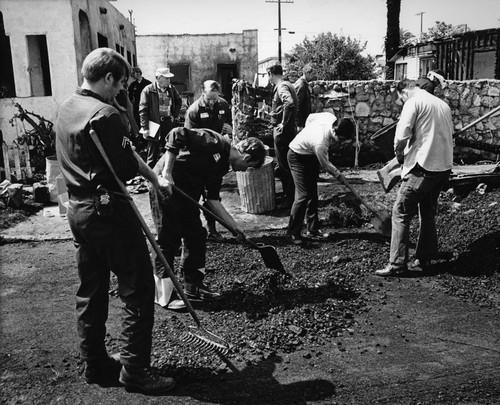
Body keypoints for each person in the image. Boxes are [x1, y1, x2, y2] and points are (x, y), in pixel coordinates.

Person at [55, 48, 175, 394]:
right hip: (108, 209)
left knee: (90, 291)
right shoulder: (106, 114)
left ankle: (95, 364)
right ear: (108, 77)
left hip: (78, 210)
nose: (122, 90)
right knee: (138, 288)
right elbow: (123, 167)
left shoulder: (66, 108)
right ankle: (136, 371)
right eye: (120, 83)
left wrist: (154, 176)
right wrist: (121, 114)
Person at [151, 128, 266, 306]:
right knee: (168, 239)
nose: (244, 171)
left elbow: (213, 201)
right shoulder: (215, 142)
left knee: (196, 235)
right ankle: (163, 296)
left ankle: (193, 286)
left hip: (187, 192)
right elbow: (176, 133)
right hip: (165, 186)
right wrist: (167, 173)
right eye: (248, 167)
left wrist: (236, 229)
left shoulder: (221, 167)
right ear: (246, 158)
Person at [375, 79, 453, 276]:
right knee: (427, 211)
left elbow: (401, 136)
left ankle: (397, 264)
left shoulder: (413, 102)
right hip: (442, 168)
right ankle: (426, 257)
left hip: (423, 167)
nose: (401, 101)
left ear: (403, 92)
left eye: (400, 98)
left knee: (400, 211)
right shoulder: (442, 104)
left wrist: (399, 155)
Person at [287, 112, 355, 245]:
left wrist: (307, 133)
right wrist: (339, 176)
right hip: (296, 156)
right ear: (335, 132)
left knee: (312, 193)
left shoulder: (330, 117)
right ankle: (292, 233)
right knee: (303, 195)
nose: (340, 143)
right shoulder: (320, 143)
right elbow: (326, 166)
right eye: (340, 140)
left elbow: (310, 116)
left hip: (309, 154)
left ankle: (312, 229)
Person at [184, 80, 233, 242]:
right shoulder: (194, 111)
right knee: (195, 196)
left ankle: (212, 229)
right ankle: (192, 232)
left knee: (213, 195)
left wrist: (230, 130)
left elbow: (230, 125)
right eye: (209, 99)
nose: (212, 102)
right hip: (198, 159)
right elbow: (188, 138)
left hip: (216, 159)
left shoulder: (224, 105)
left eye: (215, 99)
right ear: (202, 93)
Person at [267, 63, 298, 209]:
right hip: (287, 131)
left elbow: (289, 103)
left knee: (284, 165)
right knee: (286, 164)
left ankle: (289, 198)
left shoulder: (281, 87)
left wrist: (283, 123)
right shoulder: (288, 84)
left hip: (282, 133)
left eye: (269, 76)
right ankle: (291, 195)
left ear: (271, 74)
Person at [139, 67, 182, 168]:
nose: (169, 80)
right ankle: (150, 178)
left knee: (169, 150)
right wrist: (145, 128)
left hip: (168, 123)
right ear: (158, 78)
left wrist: (174, 115)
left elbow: (179, 101)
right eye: (166, 78)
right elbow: (143, 110)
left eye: (169, 78)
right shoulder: (148, 90)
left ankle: (168, 174)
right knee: (152, 153)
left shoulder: (171, 89)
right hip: (154, 124)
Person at [293, 63, 314, 131]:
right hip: (301, 122)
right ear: (307, 73)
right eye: (311, 74)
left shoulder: (303, 84)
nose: (312, 76)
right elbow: (297, 105)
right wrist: (300, 124)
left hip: (304, 120)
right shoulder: (301, 85)